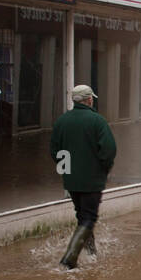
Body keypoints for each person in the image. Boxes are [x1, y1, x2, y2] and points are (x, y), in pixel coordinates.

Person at [50, 84, 117, 269]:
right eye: (92, 98)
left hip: (71, 180)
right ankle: (69, 258)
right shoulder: (97, 121)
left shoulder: (62, 121)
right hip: (92, 180)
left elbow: (55, 150)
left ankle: (91, 253)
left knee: (82, 216)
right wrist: (104, 169)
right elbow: (109, 149)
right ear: (89, 100)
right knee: (89, 217)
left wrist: (67, 170)